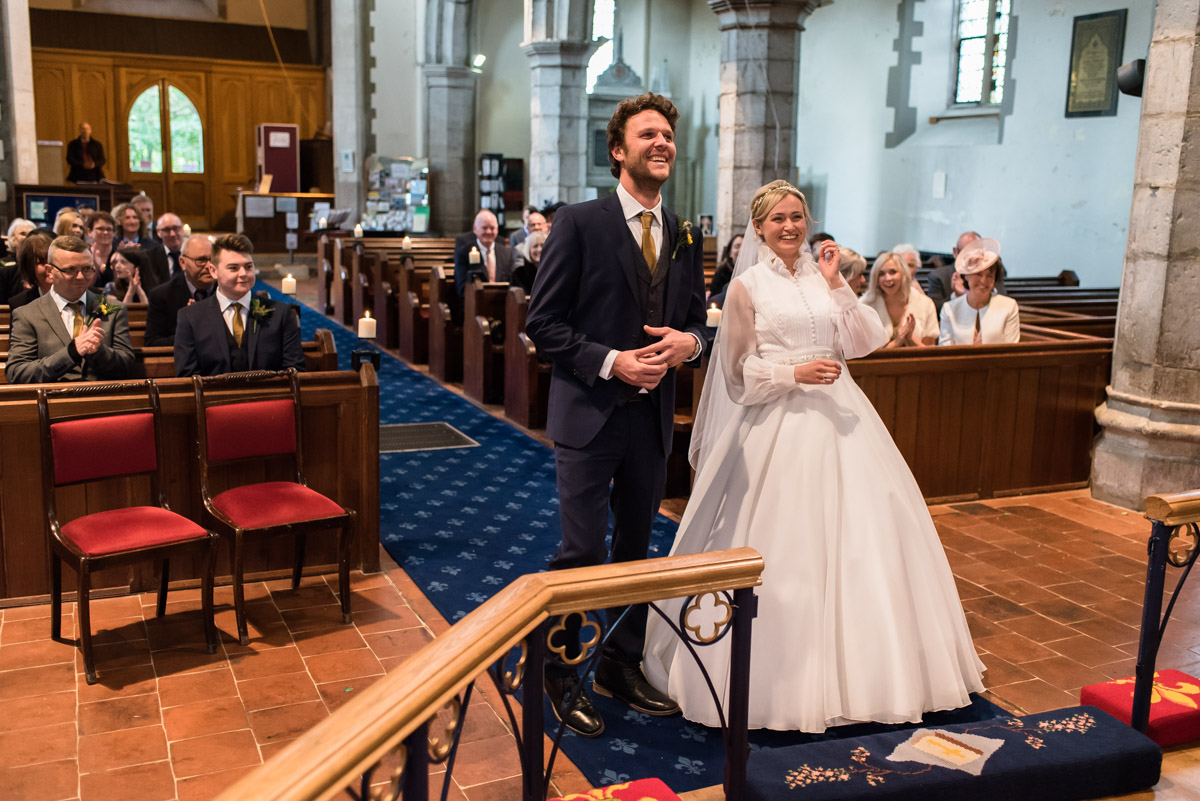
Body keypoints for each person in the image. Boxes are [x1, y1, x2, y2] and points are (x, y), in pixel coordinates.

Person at [642, 180, 984, 733]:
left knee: (865, 540)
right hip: (775, 425)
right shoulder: (747, 287)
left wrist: (837, 285)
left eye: (797, 216)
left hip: (844, 420)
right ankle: (777, 681)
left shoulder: (823, 278)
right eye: (777, 218)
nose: (789, 226)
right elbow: (735, 376)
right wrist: (793, 374)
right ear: (758, 228)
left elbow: (864, 341)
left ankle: (872, 677)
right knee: (783, 543)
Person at [526, 92, 707, 738]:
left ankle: (620, 663)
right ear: (618, 150)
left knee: (636, 548)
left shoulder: (684, 232)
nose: (662, 143)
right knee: (582, 549)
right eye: (648, 134)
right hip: (590, 412)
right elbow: (542, 324)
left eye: (668, 135)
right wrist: (611, 362)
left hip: (651, 421)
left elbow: (697, 321)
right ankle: (561, 671)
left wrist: (690, 344)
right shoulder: (580, 223)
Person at [5, 235, 135, 384]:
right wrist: (70, 353)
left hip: (103, 396)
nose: (80, 277)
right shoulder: (27, 315)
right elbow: (17, 373)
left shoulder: (113, 309)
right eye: (70, 270)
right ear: (50, 271)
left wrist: (99, 351)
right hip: (53, 397)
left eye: (86, 269)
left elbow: (127, 367)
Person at [174, 233, 305, 376]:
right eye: (233, 268)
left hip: (269, 391)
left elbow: (294, 370)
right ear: (213, 271)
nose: (243, 274)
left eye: (248, 267)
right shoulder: (191, 317)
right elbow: (187, 376)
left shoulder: (280, 313)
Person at [938, 238, 1020, 345]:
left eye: (989, 275)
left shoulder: (1009, 306)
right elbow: (945, 350)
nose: (983, 281)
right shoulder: (949, 309)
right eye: (978, 274)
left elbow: (1012, 349)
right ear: (966, 275)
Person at [146, 233, 215, 346]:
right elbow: (152, 342)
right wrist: (189, 331)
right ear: (182, 263)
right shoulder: (162, 295)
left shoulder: (228, 291)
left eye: (213, 260)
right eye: (201, 260)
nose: (209, 266)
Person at [859, 251, 938, 347]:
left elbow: (930, 351)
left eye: (893, 272)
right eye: (881, 274)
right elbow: (864, 352)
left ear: (904, 274)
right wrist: (896, 342)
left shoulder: (925, 304)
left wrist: (910, 338)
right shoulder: (866, 305)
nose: (887, 278)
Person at [111, 202, 169, 288]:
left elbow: (161, 275)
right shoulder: (113, 245)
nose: (132, 221)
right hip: (120, 288)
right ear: (120, 222)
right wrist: (121, 253)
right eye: (127, 218)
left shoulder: (153, 246)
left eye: (135, 217)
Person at [928, 231, 977, 315]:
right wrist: (955, 296)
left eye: (976, 253)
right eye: (966, 253)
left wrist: (966, 294)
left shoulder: (989, 275)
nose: (971, 259)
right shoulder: (939, 276)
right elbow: (934, 310)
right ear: (955, 252)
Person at [7, 230, 54, 309]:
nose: (49, 267)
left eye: (51, 261)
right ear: (29, 267)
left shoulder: (72, 297)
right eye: (42, 262)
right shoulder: (20, 304)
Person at [86, 211, 118, 285]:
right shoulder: (85, 255)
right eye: (100, 229)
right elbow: (86, 285)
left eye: (109, 229)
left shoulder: (118, 254)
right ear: (89, 232)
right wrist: (95, 265)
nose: (105, 232)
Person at [510, 230, 546, 294]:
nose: (539, 249)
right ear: (528, 250)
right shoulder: (518, 274)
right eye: (535, 246)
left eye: (542, 245)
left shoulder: (554, 270)